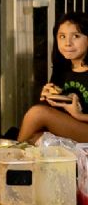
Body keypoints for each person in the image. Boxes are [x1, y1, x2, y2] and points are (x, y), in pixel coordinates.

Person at [18, 12, 88, 143]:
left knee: (37, 113)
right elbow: (59, 110)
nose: (67, 43)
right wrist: (49, 98)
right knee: (33, 139)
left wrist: (79, 115)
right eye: (62, 36)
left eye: (76, 36)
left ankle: (9, 158)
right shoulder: (62, 69)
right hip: (74, 127)